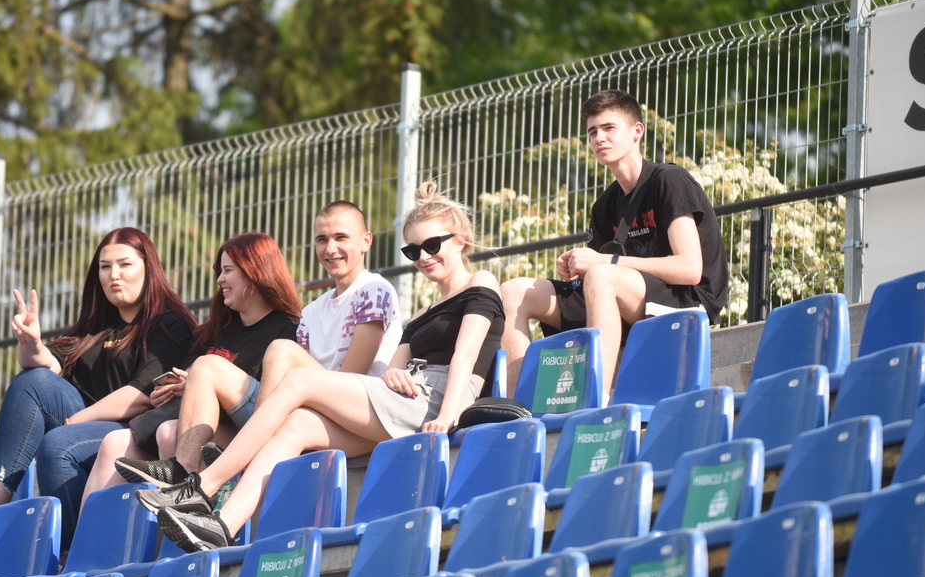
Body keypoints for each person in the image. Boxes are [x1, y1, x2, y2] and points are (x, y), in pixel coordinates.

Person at [139, 182, 504, 551]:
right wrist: (396, 371)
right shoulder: (425, 310)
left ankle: (203, 486)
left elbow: (465, 356)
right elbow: (395, 365)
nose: (423, 257)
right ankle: (222, 526)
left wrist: (449, 415)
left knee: (298, 380)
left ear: (460, 242)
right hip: (401, 397)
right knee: (297, 425)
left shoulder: (480, 282)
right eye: (413, 250)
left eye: (432, 245)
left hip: (436, 399)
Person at [0, 227, 196, 549]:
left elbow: (141, 395)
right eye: (105, 267)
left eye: (125, 264)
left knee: (57, 444)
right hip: (90, 425)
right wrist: (31, 343)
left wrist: (74, 421)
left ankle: (69, 552)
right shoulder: (95, 328)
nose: (114, 275)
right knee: (31, 381)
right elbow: (49, 367)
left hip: (134, 432)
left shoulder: (170, 324)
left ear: (148, 268)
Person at [112, 200, 402, 485]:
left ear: (366, 241)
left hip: (355, 414)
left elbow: (350, 379)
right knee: (203, 369)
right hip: (302, 408)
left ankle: (247, 454)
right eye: (321, 239)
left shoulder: (373, 290)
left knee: (279, 351)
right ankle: (183, 470)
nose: (330, 248)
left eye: (341, 237)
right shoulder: (312, 311)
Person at [499, 89, 729, 397]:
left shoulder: (668, 180)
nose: (599, 138)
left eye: (609, 128)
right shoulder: (605, 205)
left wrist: (603, 263)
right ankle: (517, 406)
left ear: (637, 131)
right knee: (514, 292)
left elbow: (689, 269)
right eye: (593, 131)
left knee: (601, 274)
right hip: (623, 298)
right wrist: (576, 268)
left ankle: (595, 399)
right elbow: (598, 276)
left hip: (687, 301)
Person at [79, 231, 301, 500]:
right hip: (189, 421)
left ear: (255, 272)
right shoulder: (215, 329)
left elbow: (273, 399)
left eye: (228, 271)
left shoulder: (288, 329)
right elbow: (185, 377)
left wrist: (200, 382)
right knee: (115, 442)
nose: (220, 279)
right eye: (219, 271)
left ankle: (187, 495)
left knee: (170, 431)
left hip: (247, 427)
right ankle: (88, 528)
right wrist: (169, 391)